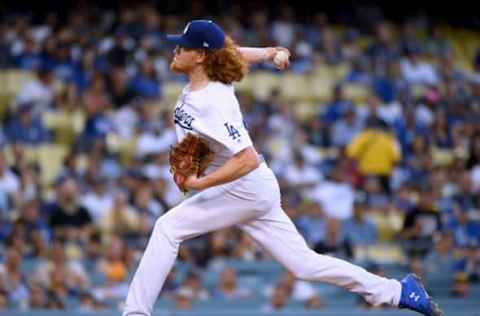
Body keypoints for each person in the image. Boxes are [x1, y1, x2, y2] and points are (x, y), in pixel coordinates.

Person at [122, 20, 442, 316]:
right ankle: (398, 291)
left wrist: (200, 184)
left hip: (242, 186)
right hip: (252, 187)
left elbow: (245, 159)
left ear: (201, 57)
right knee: (305, 265)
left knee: (168, 227)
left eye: (184, 46)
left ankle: (136, 312)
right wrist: (270, 52)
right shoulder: (216, 72)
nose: (176, 49)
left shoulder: (212, 103)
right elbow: (230, 53)